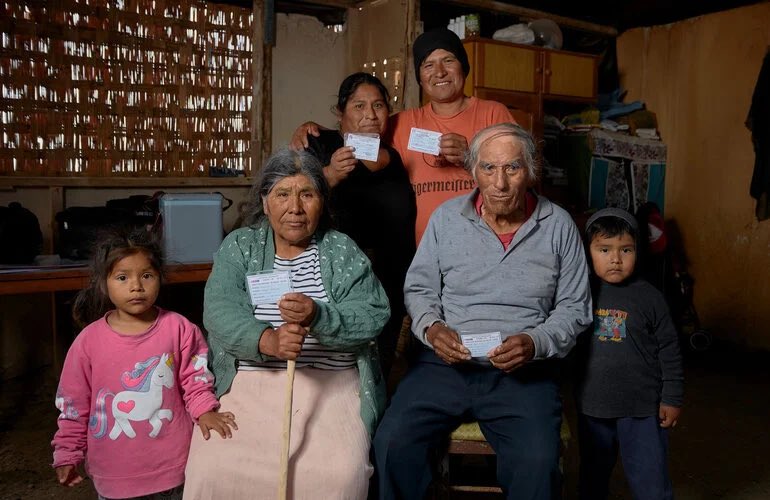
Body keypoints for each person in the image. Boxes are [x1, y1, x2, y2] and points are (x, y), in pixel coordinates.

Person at [373, 123, 593, 499]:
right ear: (473, 170)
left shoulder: (557, 225)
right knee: (392, 443)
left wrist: (535, 342)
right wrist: (432, 329)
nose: (500, 183)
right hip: (444, 365)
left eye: (512, 168)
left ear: (531, 171)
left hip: (523, 371)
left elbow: (575, 307)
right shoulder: (446, 218)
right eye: (488, 168)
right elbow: (420, 287)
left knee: (538, 462)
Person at [182, 148, 390, 499]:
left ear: (321, 202)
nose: (295, 207)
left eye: (307, 194)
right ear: (265, 202)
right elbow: (219, 310)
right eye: (282, 194)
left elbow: (373, 313)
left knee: (339, 475)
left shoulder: (341, 250)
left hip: (331, 383)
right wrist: (268, 340)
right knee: (212, 468)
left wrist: (318, 316)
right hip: (250, 381)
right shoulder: (240, 246)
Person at [52, 229, 236, 500]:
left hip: (175, 467)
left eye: (146, 276)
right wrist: (68, 451)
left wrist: (205, 411)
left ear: (160, 278)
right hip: (114, 473)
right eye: (123, 277)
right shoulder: (87, 342)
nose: (136, 286)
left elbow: (195, 380)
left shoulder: (180, 329)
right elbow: (73, 402)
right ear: (104, 283)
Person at [292, 28, 514, 244]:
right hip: (426, 251)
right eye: (428, 65)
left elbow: (527, 175)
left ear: (464, 68)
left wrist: (471, 158)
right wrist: (312, 128)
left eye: (448, 60)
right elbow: (364, 128)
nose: (439, 72)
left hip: (484, 242)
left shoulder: (493, 113)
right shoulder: (403, 123)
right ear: (420, 76)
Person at [304, 72, 416, 379]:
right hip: (337, 285)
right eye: (359, 106)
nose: (370, 114)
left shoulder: (395, 156)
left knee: (377, 371)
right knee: (337, 373)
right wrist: (328, 176)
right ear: (341, 113)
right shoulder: (320, 145)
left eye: (378, 105)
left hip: (390, 285)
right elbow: (291, 202)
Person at [575, 208, 684, 500]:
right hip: (593, 408)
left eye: (626, 249)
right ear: (588, 251)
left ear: (639, 251)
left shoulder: (650, 297)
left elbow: (670, 350)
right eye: (604, 249)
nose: (615, 259)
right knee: (592, 478)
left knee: (651, 481)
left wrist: (671, 397)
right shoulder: (579, 293)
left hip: (642, 409)